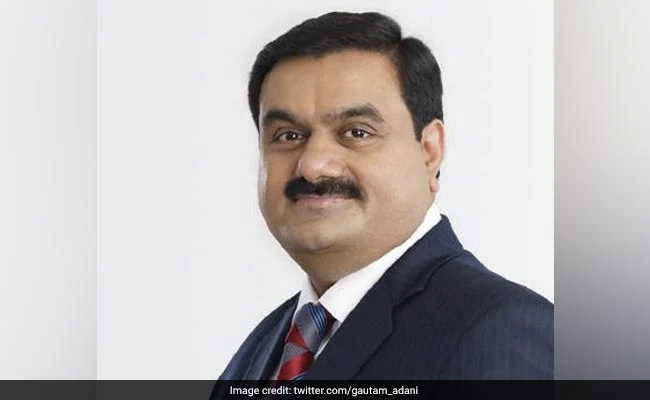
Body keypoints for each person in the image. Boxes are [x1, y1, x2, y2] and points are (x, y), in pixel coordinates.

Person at [217, 11, 553, 383]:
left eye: (356, 132)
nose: (312, 166)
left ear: (430, 150)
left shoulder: (502, 331)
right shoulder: (261, 351)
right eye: (288, 136)